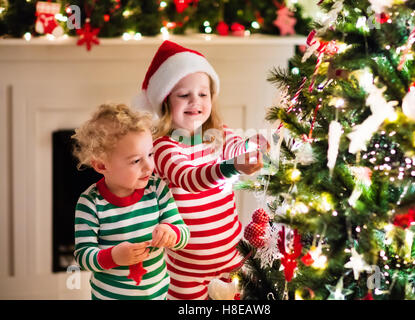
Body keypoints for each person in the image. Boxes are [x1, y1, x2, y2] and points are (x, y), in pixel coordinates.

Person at [133, 40, 270, 300]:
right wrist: (232, 167)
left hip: (231, 258)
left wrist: (253, 145)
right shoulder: (162, 147)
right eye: (184, 95)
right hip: (185, 268)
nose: (195, 101)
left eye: (203, 94)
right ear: (164, 102)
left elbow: (236, 148)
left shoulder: (217, 134)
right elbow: (190, 178)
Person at [72, 103, 190, 300]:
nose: (148, 166)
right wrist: (113, 256)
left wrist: (171, 232)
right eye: (136, 160)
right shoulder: (90, 203)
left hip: (158, 295)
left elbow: (183, 232)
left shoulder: (157, 189)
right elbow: (83, 256)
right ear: (101, 165)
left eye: (150, 155)